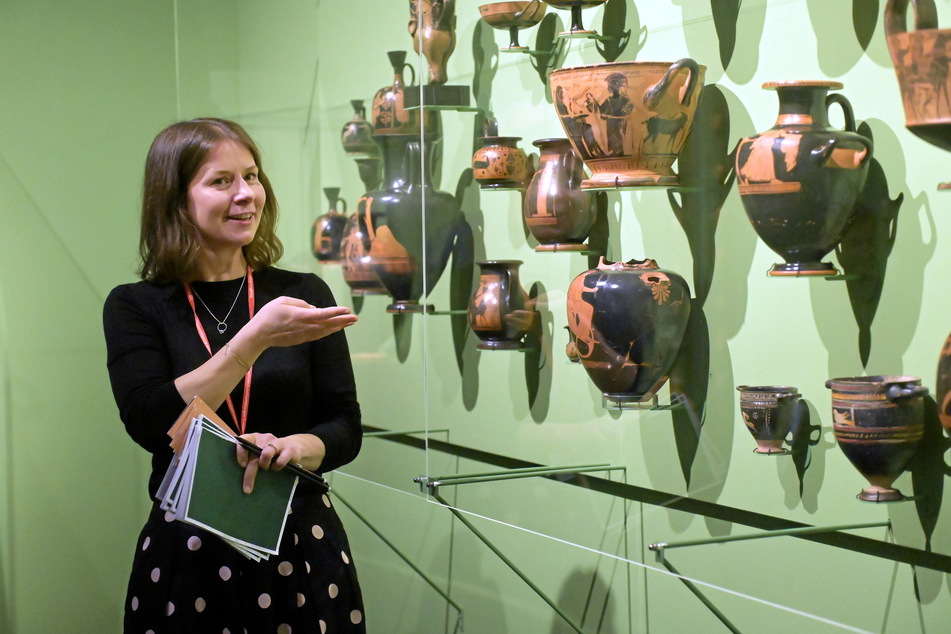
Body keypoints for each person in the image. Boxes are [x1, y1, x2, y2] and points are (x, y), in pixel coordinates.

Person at [103, 118, 366, 633]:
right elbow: (150, 422)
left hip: (300, 540)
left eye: (251, 176)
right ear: (176, 200)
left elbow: (345, 425)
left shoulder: (303, 290)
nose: (246, 195)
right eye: (221, 181)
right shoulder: (136, 305)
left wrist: (293, 448)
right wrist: (254, 338)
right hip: (189, 548)